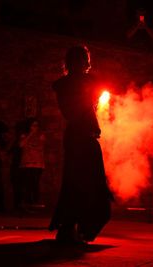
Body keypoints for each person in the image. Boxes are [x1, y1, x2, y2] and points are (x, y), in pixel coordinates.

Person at [48, 45, 113, 244]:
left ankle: (68, 226)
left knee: (73, 180)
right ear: (85, 61)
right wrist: (95, 127)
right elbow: (85, 107)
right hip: (84, 134)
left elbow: (72, 111)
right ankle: (85, 227)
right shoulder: (88, 82)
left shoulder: (62, 84)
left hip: (73, 134)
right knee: (92, 182)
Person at [18, 118, 46, 210]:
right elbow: (21, 145)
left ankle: (35, 204)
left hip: (37, 164)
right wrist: (30, 135)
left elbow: (42, 144)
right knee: (27, 184)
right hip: (26, 163)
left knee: (35, 184)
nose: (35, 127)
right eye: (33, 125)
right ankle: (27, 204)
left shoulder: (41, 135)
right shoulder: (24, 135)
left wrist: (36, 136)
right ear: (29, 126)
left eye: (36, 125)